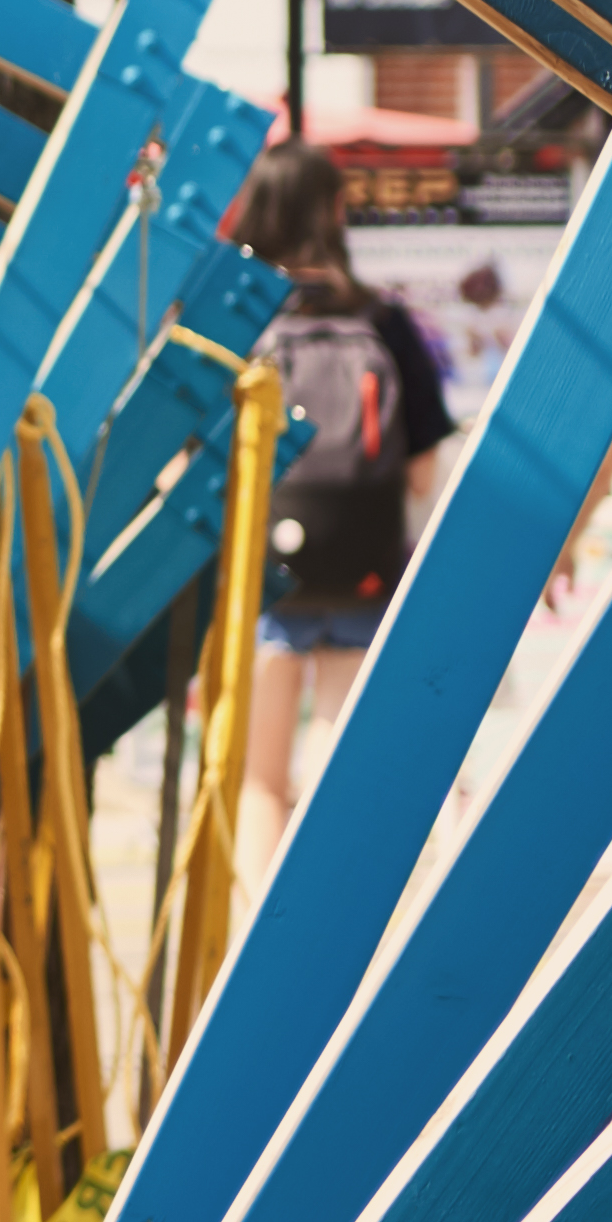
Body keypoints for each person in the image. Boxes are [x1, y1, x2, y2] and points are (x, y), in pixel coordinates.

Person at [233, 148, 453, 856]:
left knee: (259, 780)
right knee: (334, 745)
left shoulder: (239, 320)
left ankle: (252, 939)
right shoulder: (382, 320)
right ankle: (324, 909)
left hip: (263, 569)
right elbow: (423, 474)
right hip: (365, 559)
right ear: (334, 211)